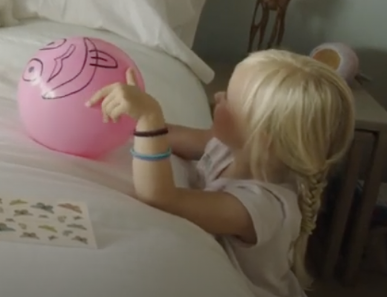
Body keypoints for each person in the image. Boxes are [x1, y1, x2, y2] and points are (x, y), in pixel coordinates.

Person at [86, 49, 355, 297]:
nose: (216, 96)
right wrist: (130, 112)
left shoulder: (260, 205)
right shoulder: (227, 148)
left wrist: (149, 119)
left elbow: (160, 196)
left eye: (228, 99)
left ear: (260, 138)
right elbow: (168, 137)